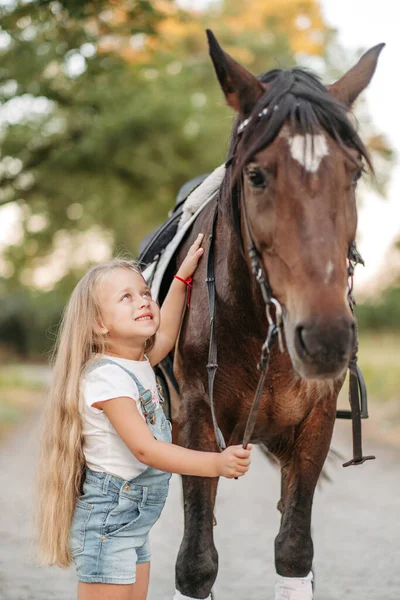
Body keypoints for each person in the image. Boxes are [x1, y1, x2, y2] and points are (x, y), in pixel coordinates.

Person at [36, 233, 252, 600]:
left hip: (132, 522)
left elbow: (166, 334)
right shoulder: (106, 379)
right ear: (99, 324)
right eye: (126, 297)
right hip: (109, 522)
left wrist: (182, 279)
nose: (143, 301)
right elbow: (146, 450)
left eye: (145, 293)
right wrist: (216, 463)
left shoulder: (136, 363)